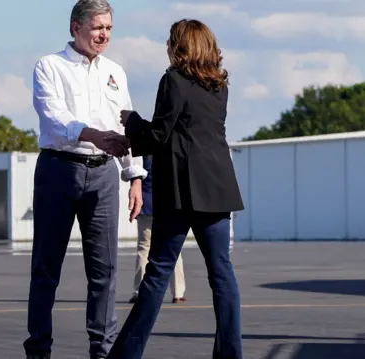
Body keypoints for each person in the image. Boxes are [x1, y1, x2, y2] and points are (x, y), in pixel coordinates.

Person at [106, 19, 245, 359]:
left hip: (182, 191)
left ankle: (126, 355)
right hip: (218, 187)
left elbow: (158, 136)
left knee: (156, 275)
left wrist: (131, 121)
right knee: (222, 275)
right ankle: (230, 354)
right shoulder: (219, 86)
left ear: (179, 46)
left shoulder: (173, 80)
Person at [23, 1, 147, 359]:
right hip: (59, 170)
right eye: (97, 27)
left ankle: (103, 350)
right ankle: (39, 350)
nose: (104, 34)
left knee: (105, 270)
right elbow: (54, 117)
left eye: (108, 28)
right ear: (75, 27)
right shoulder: (50, 66)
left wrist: (134, 175)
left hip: (104, 176)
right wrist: (91, 133)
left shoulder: (115, 72)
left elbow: (127, 126)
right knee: (46, 268)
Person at [129, 154, 186, 305]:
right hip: (167, 205)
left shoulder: (142, 157)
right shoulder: (169, 154)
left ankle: (139, 290)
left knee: (144, 248)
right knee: (174, 249)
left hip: (146, 204)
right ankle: (178, 292)